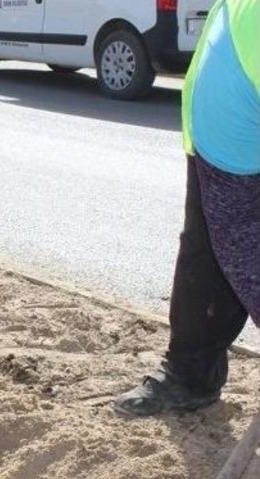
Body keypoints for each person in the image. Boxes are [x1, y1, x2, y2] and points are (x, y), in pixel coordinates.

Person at [114, 0, 260, 416]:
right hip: (215, 149)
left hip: (242, 164)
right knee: (202, 259)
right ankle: (189, 377)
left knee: (246, 262)